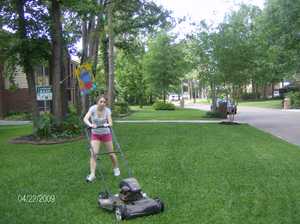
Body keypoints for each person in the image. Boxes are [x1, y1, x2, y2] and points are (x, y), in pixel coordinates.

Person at [83, 95, 120, 182]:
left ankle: (116, 168)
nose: (103, 103)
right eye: (101, 101)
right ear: (97, 102)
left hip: (106, 134)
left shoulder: (107, 110)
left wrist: (107, 124)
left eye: (104, 102)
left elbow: (110, 122)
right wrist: (91, 125)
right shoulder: (92, 109)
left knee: (111, 153)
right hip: (95, 134)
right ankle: (92, 174)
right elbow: (85, 119)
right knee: (94, 154)